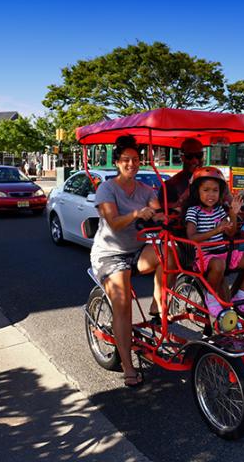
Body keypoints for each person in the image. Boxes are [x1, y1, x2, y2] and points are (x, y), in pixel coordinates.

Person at [90, 135, 165, 387]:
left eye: (135, 159)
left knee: (170, 252)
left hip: (137, 250)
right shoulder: (107, 188)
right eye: (126, 160)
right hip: (110, 254)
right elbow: (113, 221)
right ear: (117, 162)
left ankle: (158, 303)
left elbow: (157, 212)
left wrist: (166, 215)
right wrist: (136, 213)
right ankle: (128, 366)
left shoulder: (146, 190)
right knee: (123, 303)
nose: (131, 164)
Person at [183, 167, 244, 319]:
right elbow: (192, 237)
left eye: (215, 190)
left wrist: (232, 214)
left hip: (223, 254)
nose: (211, 194)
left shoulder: (219, 210)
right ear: (197, 192)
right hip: (204, 256)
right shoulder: (194, 211)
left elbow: (230, 232)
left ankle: (240, 295)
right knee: (219, 264)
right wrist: (216, 230)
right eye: (206, 190)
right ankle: (210, 297)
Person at [158, 138, 205, 211]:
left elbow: (226, 202)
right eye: (189, 156)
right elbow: (163, 209)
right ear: (182, 157)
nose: (194, 160)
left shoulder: (214, 179)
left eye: (199, 155)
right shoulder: (170, 184)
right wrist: (181, 200)